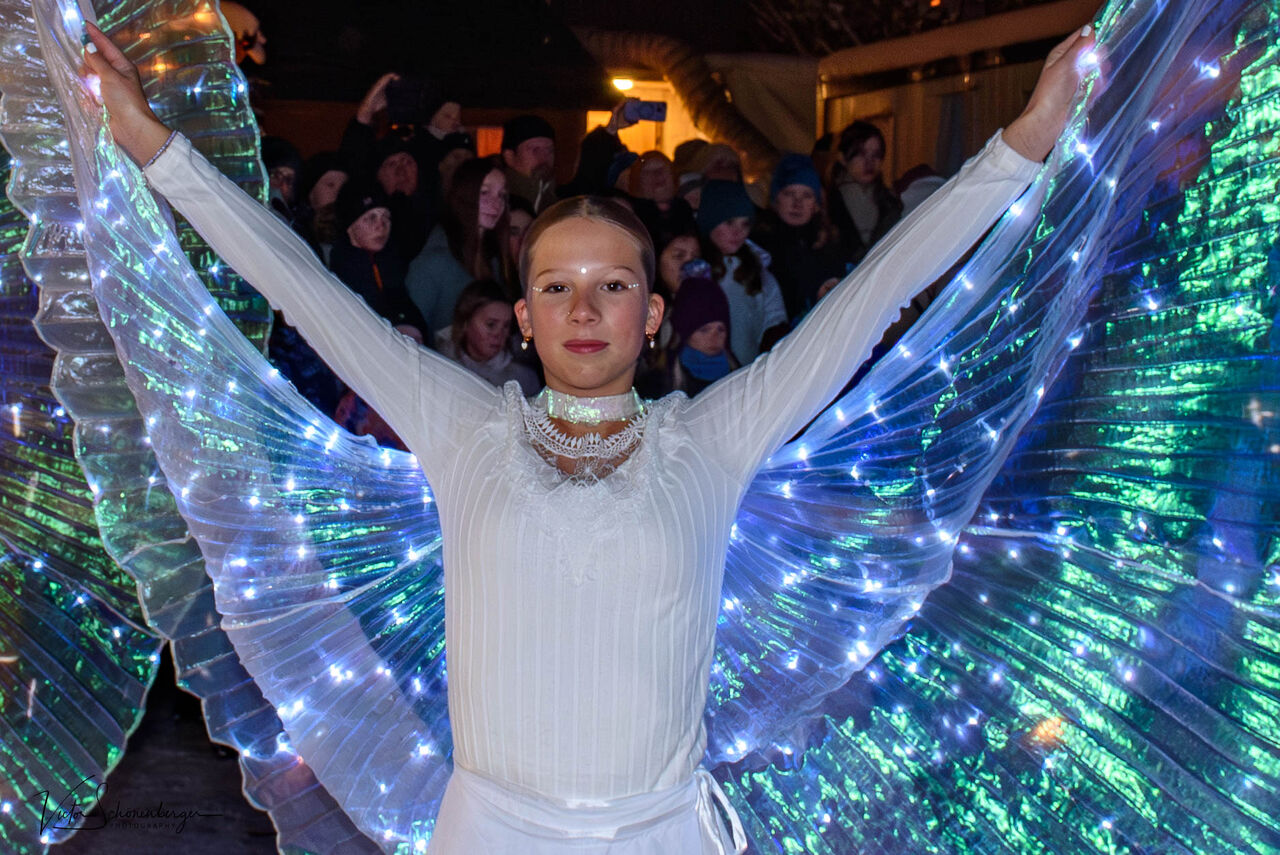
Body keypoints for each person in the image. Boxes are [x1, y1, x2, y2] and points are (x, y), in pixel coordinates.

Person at [83, 18, 1089, 853]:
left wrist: (1028, 137)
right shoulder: (465, 427)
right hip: (488, 831)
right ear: (523, 317)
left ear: (652, 315)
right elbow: (298, 283)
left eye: (613, 285)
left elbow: (877, 289)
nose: (583, 308)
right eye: (556, 286)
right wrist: (151, 143)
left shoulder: (713, 437)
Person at [404, 156, 511, 343]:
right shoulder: (433, 262)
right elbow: (410, 338)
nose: (496, 204)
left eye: (501, 195)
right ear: (464, 195)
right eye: (484, 193)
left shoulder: (493, 258)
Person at [695, 179, 789, 364]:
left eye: (745, 224)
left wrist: (773, 341)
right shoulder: (695, 270)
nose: (738, 232)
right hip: (704, 371)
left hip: (749, 370)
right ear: (710, 222)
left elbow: (774, 317)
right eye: (729, 222)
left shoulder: (757, 270)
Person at [752, 153, 846, 321]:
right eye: (789, 194)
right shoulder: (758, 250)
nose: (797, 204)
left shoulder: (829, 248)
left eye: (807, 195)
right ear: (775, 199)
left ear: (816, 204)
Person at [438, 280, 540, 395]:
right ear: (465, 323)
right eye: (491, 325)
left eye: (506, 326)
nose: (499, 334)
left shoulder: (523, 378)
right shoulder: (442, 367)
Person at [828, 120, 903, 266]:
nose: (869, 162)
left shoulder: (890, 203)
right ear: (843, 157)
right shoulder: (825, 203)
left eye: (876, 155)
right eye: (861, 154)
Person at [500, 114, 557, 212]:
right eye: (535, 150)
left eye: (550, 150)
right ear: (510, 157)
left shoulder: (559, 202)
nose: (544, 157)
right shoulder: (499, 204)